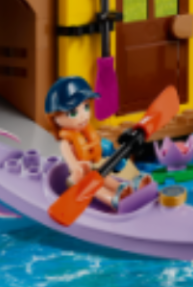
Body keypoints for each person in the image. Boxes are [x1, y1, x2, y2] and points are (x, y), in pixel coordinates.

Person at [45, 76, 147, 212]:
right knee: (94, 186)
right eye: (73, 112)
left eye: (86, 107)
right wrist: (77, 168)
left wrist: (113, 152)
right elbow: (72, 164)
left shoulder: (86, 135)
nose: (83, 116)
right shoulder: (66, 143)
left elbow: (100, 149)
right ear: (55, 118)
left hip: (90, 172)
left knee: (103, 177)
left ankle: (122, 189)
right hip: (76, 180)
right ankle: (111, 199)